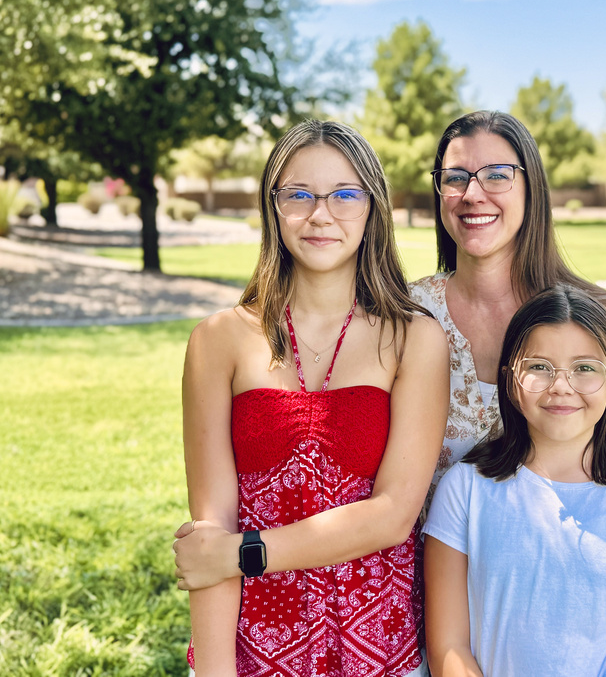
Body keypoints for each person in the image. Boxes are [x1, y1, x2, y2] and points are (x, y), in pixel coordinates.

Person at [407, 110, 606, 648]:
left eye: (498, 175)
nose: (474, 193)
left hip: (561, 603)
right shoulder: (404, 315)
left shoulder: (603, 322)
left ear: (533, 189)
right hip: (418, 603)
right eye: (456, 177)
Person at [174, 119, 448, 676]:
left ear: (373, 207)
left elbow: (393, 516)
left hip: (381, 649)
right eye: (298, 194)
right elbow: (210, 536)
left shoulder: (414, 339)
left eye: (344, 195)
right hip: (254, 645)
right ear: (272, 207)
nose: (320, 214)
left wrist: (244, 553)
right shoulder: (217, 340)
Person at [423, 285, 606, 676]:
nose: (561, 386)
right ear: (510, 382)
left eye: (585, 368)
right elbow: (449, 647)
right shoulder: (464, 489)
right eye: (539, 367)